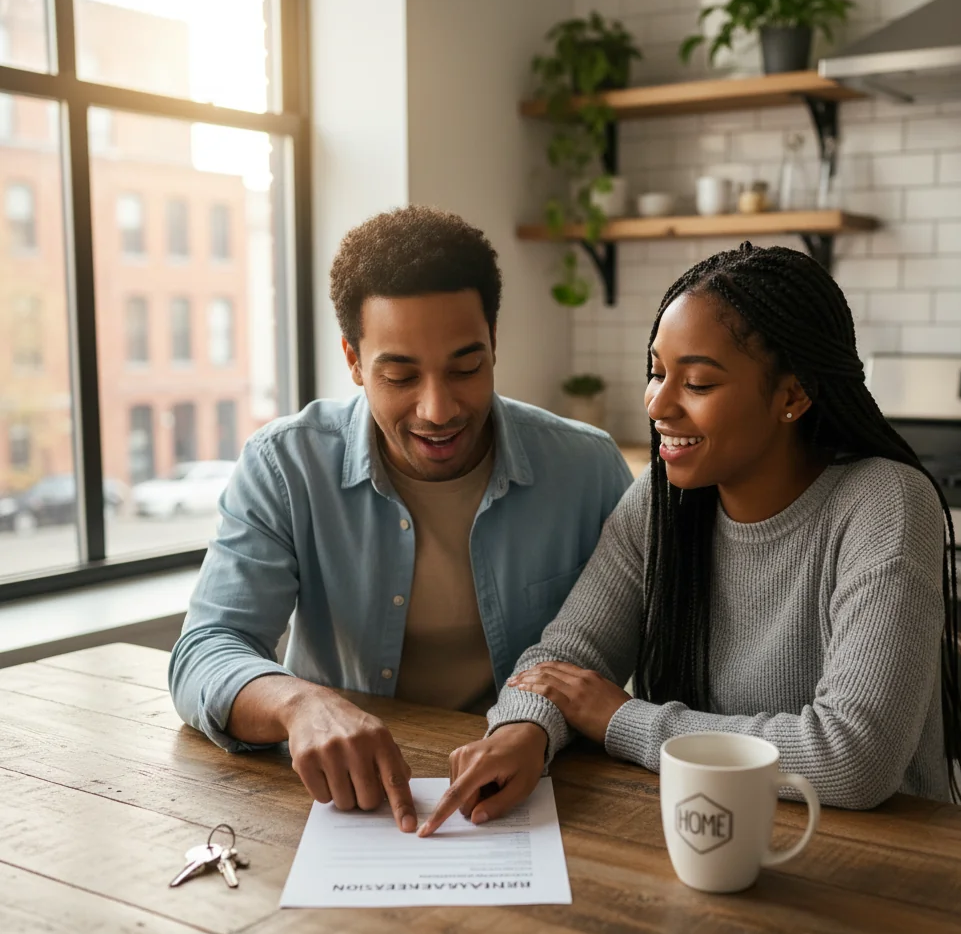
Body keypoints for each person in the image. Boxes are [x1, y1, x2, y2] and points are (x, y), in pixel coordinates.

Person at [420, 241, 961, 836]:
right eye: (657, 372)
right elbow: (567, 658)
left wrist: (623, 719)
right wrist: (522, 731)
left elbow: (853, 757)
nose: (657, 403)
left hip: (885, 862)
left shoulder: (884, 502)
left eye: (699, 384)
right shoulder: (662, 501)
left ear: (792, 394)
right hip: (713, 832)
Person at [169, 206, 633, 833]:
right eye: (399, 375)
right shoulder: (286, 464)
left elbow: (621, 653)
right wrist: (297, 704)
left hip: (536, 795)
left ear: (494, 340)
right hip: (351, 804)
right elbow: (204, 649)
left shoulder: (586, 466)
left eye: (466, 368)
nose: (438, 409)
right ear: (355, 361)